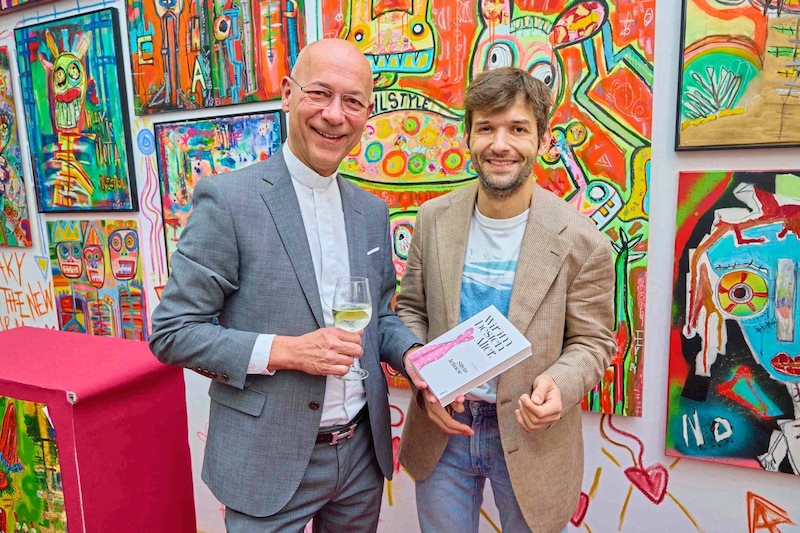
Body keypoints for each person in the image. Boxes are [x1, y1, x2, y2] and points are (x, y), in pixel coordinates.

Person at [149, 38, 422, 532]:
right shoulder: (228, 200)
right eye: (320, 93)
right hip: (265, 459)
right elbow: (171, 333)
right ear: (287, 93)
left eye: (353, 101)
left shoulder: (371, 210)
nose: (335, 115)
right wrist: (287, 351)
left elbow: (379, 315)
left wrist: (411, 355)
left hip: (361, 453)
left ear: (367, 113)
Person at [396, 67, 616, 533]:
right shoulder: (433, 219)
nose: (500, 144)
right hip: (441, 429)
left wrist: (560, 384)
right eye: (486, 128)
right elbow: (410, 310)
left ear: (543, 139)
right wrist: (422, 375)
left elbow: (594, 343)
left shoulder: (583, 240)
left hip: (532, 435)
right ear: (468, 137)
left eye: (517, 129)